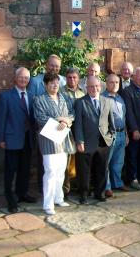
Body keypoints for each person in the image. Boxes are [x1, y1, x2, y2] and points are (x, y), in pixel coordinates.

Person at [0, 67, 37, 214]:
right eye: (21, 77)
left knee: (25, 169)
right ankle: (10, 199)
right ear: (15, 78)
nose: (23, 80)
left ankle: (22, 193)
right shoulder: (5, 96)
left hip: (27, 139)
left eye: (26, 77)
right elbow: (0, 119)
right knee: (10, 170)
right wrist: (1, 139)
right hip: (11, 139)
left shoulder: (32, 96)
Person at [33, 72, 75, 215]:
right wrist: (60, 120)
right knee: (50, 171)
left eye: (56, 82)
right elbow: (40, 118)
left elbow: (71, 114)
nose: (55, 85)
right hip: (48, 141)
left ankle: (59, 198)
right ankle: (48, 204)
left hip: (63, 139)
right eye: (51, 82)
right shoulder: (39, 100)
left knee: (61, 171)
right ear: (45, 84)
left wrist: (66, 121)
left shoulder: (63, 98)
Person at [74, 76, 116, 204]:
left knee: (102, 169)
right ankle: (84, 195)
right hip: (86, 143)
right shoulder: (80, 102)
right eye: (91, 86)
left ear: (100, 86)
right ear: (87, 88)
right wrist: (79, 141)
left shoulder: (107, 101)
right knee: (84, 171)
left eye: (96, 86)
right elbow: (78, 124)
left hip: (104, 142)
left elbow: (111, 121)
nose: (94, 89)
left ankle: (100, 193)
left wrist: (111, 136)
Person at [60, 67, 85, 199]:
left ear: (78, 79)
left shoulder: (83, 92)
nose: (72, 80)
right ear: (66, 78)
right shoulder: (60, 92)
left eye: (74, 77)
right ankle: (65, 189)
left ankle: (78, 186)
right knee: (67, 159)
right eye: (69, 77)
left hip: (81, 129)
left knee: (80, 158)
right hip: (67, 129)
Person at [102, 74, 127, 198]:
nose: (115, 84)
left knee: (118, 162)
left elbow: (124, 118)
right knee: (107, 162)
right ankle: (107, 187)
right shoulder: (102, 98)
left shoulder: (120, 98)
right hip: (110, 135)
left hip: (122, 133)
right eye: (112, 82)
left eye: (117, 82)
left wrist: (126, 134)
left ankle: (117, 183)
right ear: (106, 83)